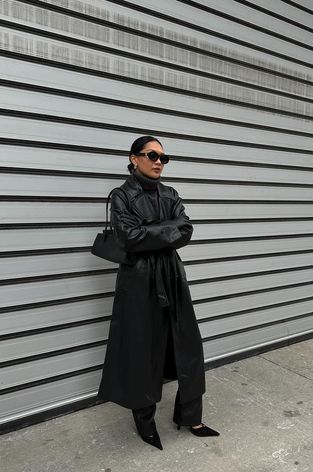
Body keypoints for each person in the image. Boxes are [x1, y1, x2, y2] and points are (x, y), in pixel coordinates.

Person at [97, 135, 220, 450]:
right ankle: (145, 421)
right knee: (142, 349)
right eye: (152, 155)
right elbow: (129, 237)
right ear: (134, 158)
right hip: (138, 280)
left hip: (172, 275)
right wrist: (166, 229)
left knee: (188, 345)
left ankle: (191, 416)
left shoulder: (171, 193)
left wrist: (150, 232)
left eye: (164, 158)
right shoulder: (121, 196)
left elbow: (186, 230)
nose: (158, 162)